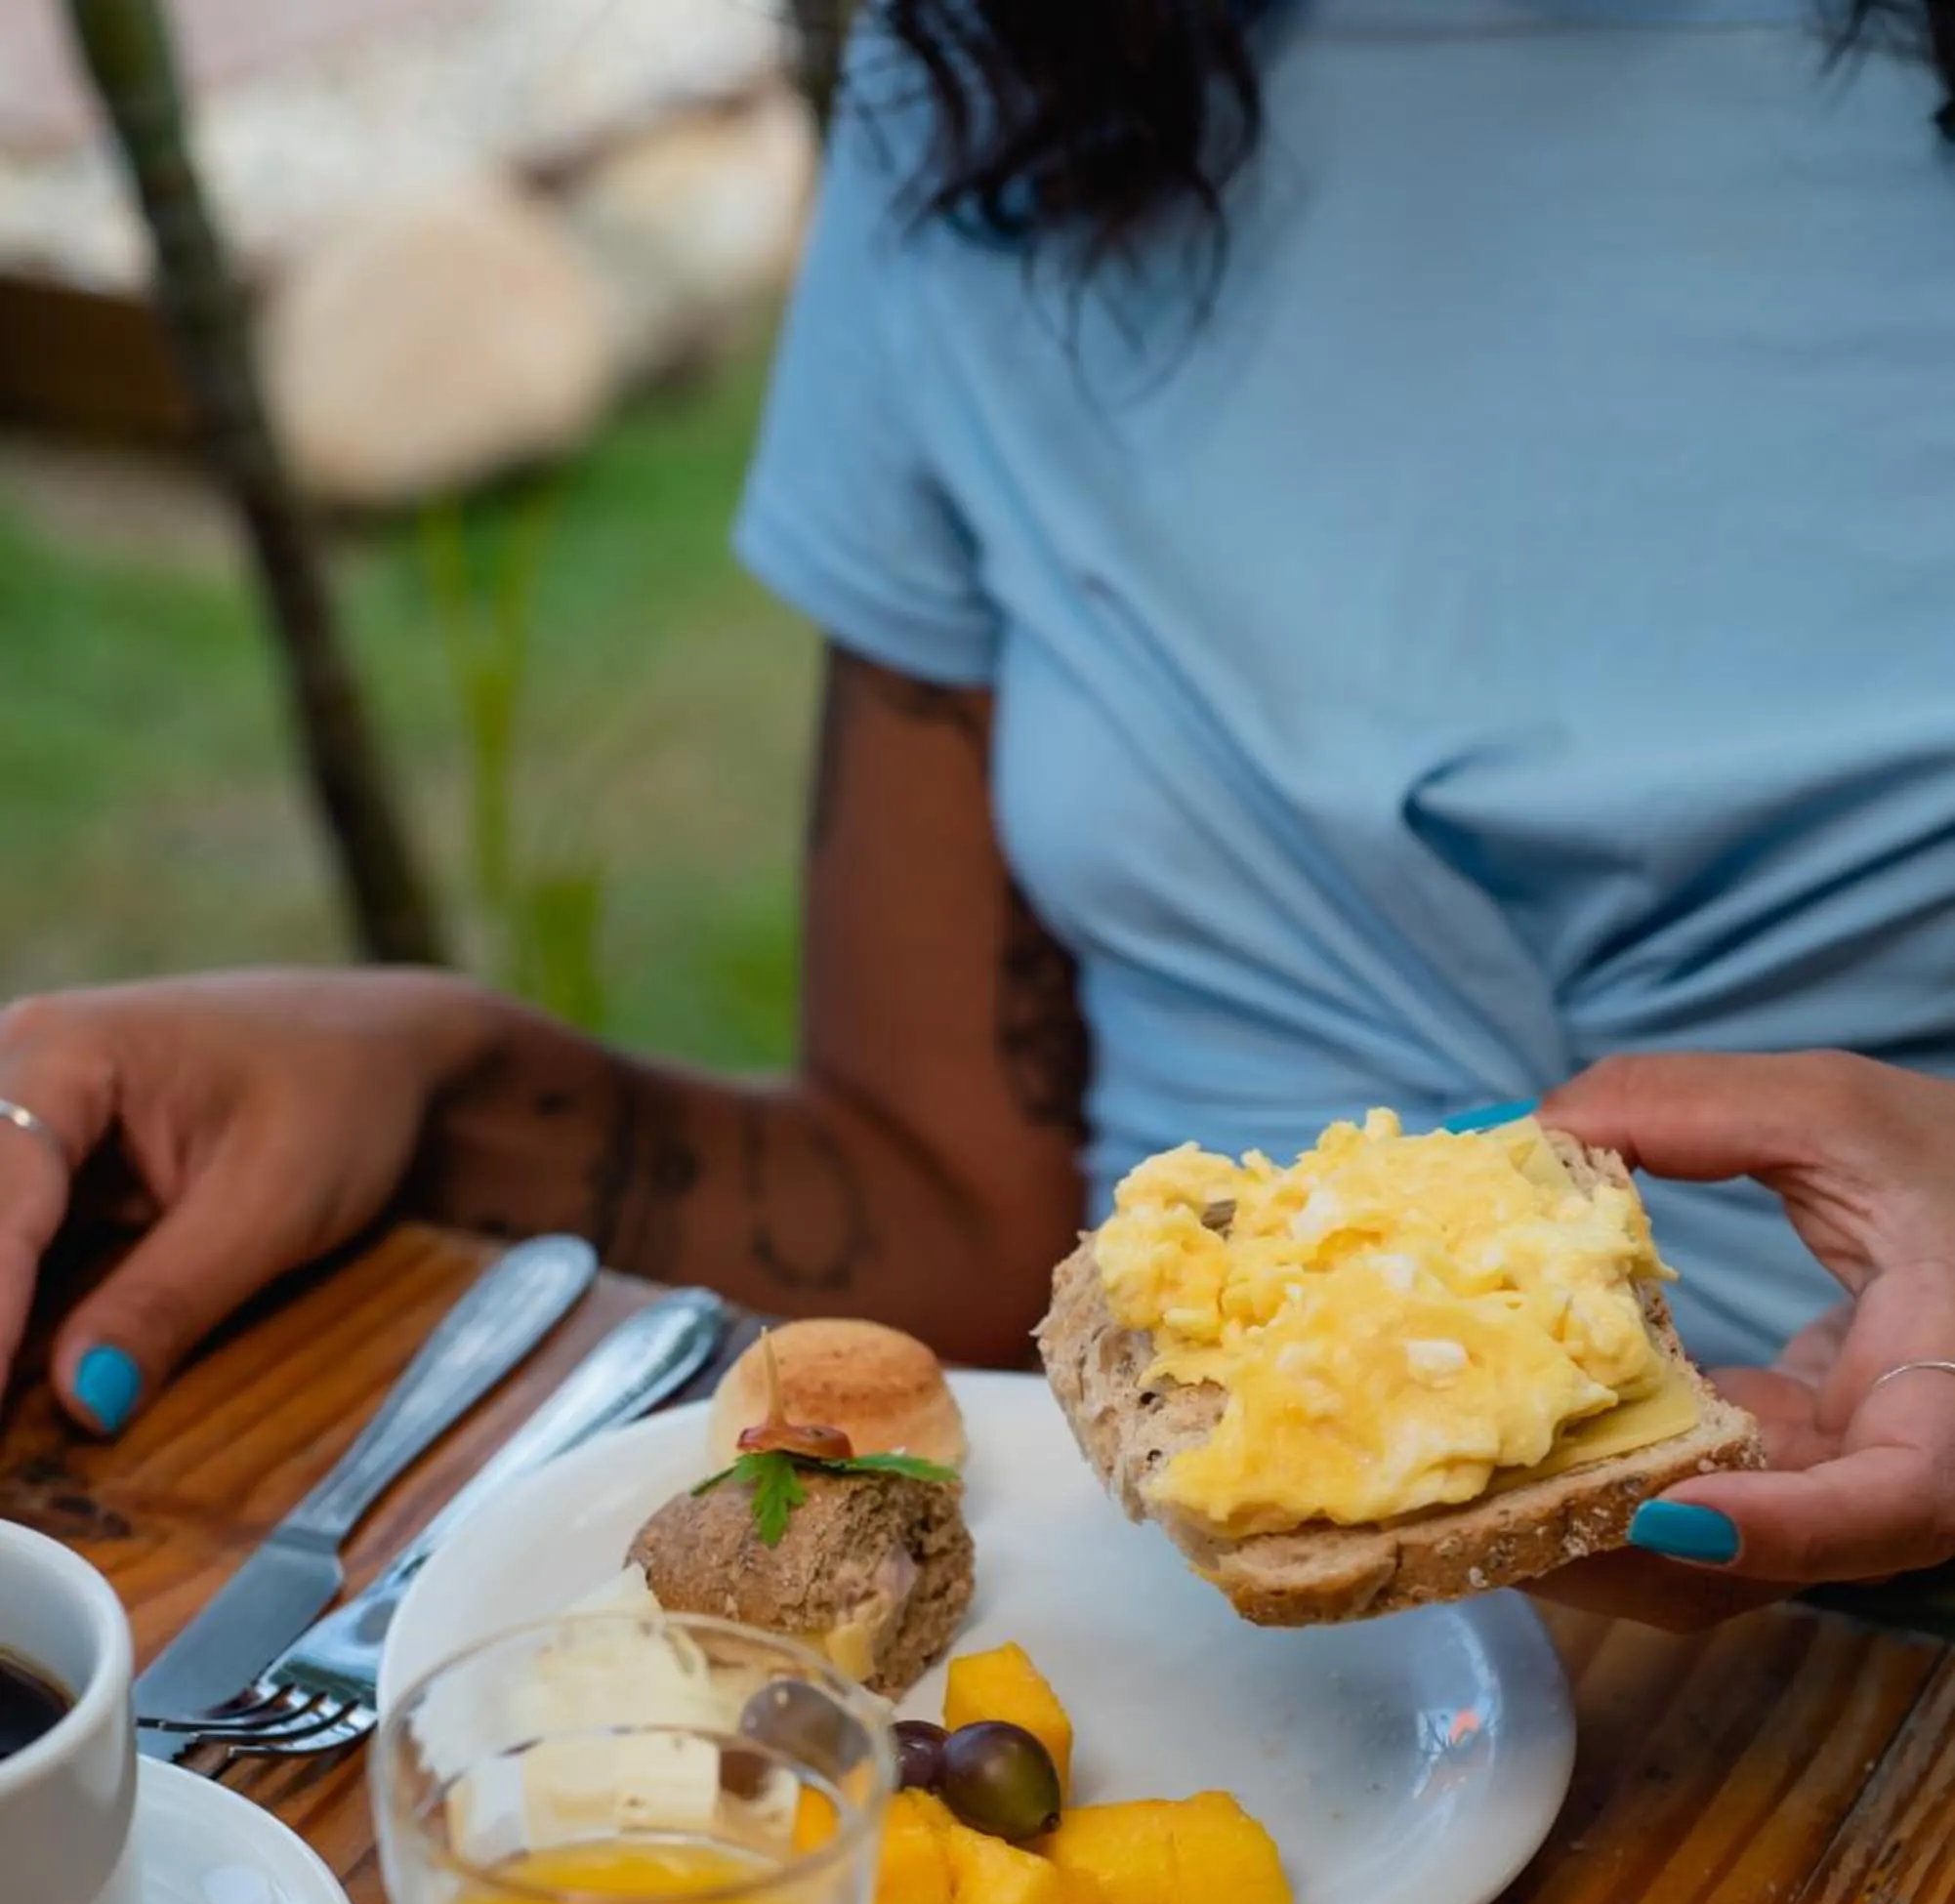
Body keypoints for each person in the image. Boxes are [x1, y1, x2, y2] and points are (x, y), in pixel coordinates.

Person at [3, 0, 1955, 1625]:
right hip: (1160, 1688)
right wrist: (428, 1081)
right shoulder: (1000, 79)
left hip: (1869, 1720)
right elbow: (945, 1204)